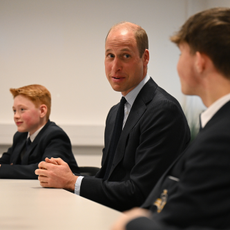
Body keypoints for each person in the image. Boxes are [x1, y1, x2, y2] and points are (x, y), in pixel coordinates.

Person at [35, 22, 190, 211]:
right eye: (110, 56)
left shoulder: (163, 110)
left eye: (125, 56)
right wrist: (63, 176)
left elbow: (140, 193)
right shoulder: (115, 112)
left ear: (145, 57)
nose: (115, 67)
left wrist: (72, 181)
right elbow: (108, 179)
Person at [111, 7, 230, 230]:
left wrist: (133, 221)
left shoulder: (220, 138)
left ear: (199, 61)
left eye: (180, 53)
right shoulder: (217, 125)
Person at [0, 84, 79, 179]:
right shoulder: (20, 136)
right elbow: (5, 161)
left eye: (22, 109)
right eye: (14, 111)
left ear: (42, 111)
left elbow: (46, 170)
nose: (16, 116)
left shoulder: (55, 136)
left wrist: (4, 169)